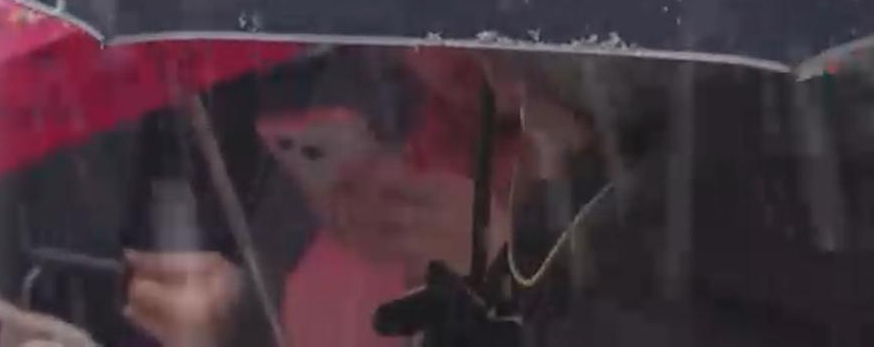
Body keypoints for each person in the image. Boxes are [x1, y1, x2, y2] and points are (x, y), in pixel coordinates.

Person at [119, 47, 600, 347]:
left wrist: (504, 279)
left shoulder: (620, 200)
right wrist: (240, 319)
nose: (472, 55)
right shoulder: (375, 124)